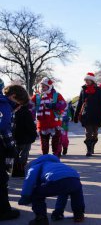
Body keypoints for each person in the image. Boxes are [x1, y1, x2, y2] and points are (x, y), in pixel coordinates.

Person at [18, 154, 85, 224]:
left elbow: (29, 180)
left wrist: (25, 196)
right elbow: (63, 191)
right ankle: (78, 214)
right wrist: (58, 211)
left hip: (56, 180)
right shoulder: (59, 164)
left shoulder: (36, 165)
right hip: (75, 179)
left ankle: (41, 219)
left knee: (36, 193)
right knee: (74, 194)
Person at [0, 82, 29, 221]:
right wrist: (11, 148)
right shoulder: (4, 105)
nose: (18, 108)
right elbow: (4, 128)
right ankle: (3, 211)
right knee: (1, 179)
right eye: (19, 103)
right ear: (13, 97)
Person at [31, 78, 66, 157]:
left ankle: (56, 156)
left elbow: (64, 104)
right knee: (44, 143)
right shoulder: (37, 96)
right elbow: (30, 106)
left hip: (55, 123)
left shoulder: (56, 95)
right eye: (41, 87)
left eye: (44, 87)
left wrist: (54, 105)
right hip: (42, 123)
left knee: (56, 142)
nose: (42, 88)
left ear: (49, 87)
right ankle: (45, 156)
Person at [73, 72, 101, 157]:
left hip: (96, 115)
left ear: (92, 80)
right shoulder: (83, 90)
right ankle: (89, 149)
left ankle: (92, 145)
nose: (86, 81)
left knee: (95, 133)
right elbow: (80, 103)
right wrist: (75, 116)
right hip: (86, 115)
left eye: (88, 80)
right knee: (88, 133)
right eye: (85, 80)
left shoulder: (99, 90)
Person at [12, 101, 37, 177]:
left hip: (15, 137)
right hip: (26, 138)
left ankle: (15, 171)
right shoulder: (27, 112)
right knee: (24, 155)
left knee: (15, 154)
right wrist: (33, 135)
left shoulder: (13, 111)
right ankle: (21, 171)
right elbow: (30, 126)